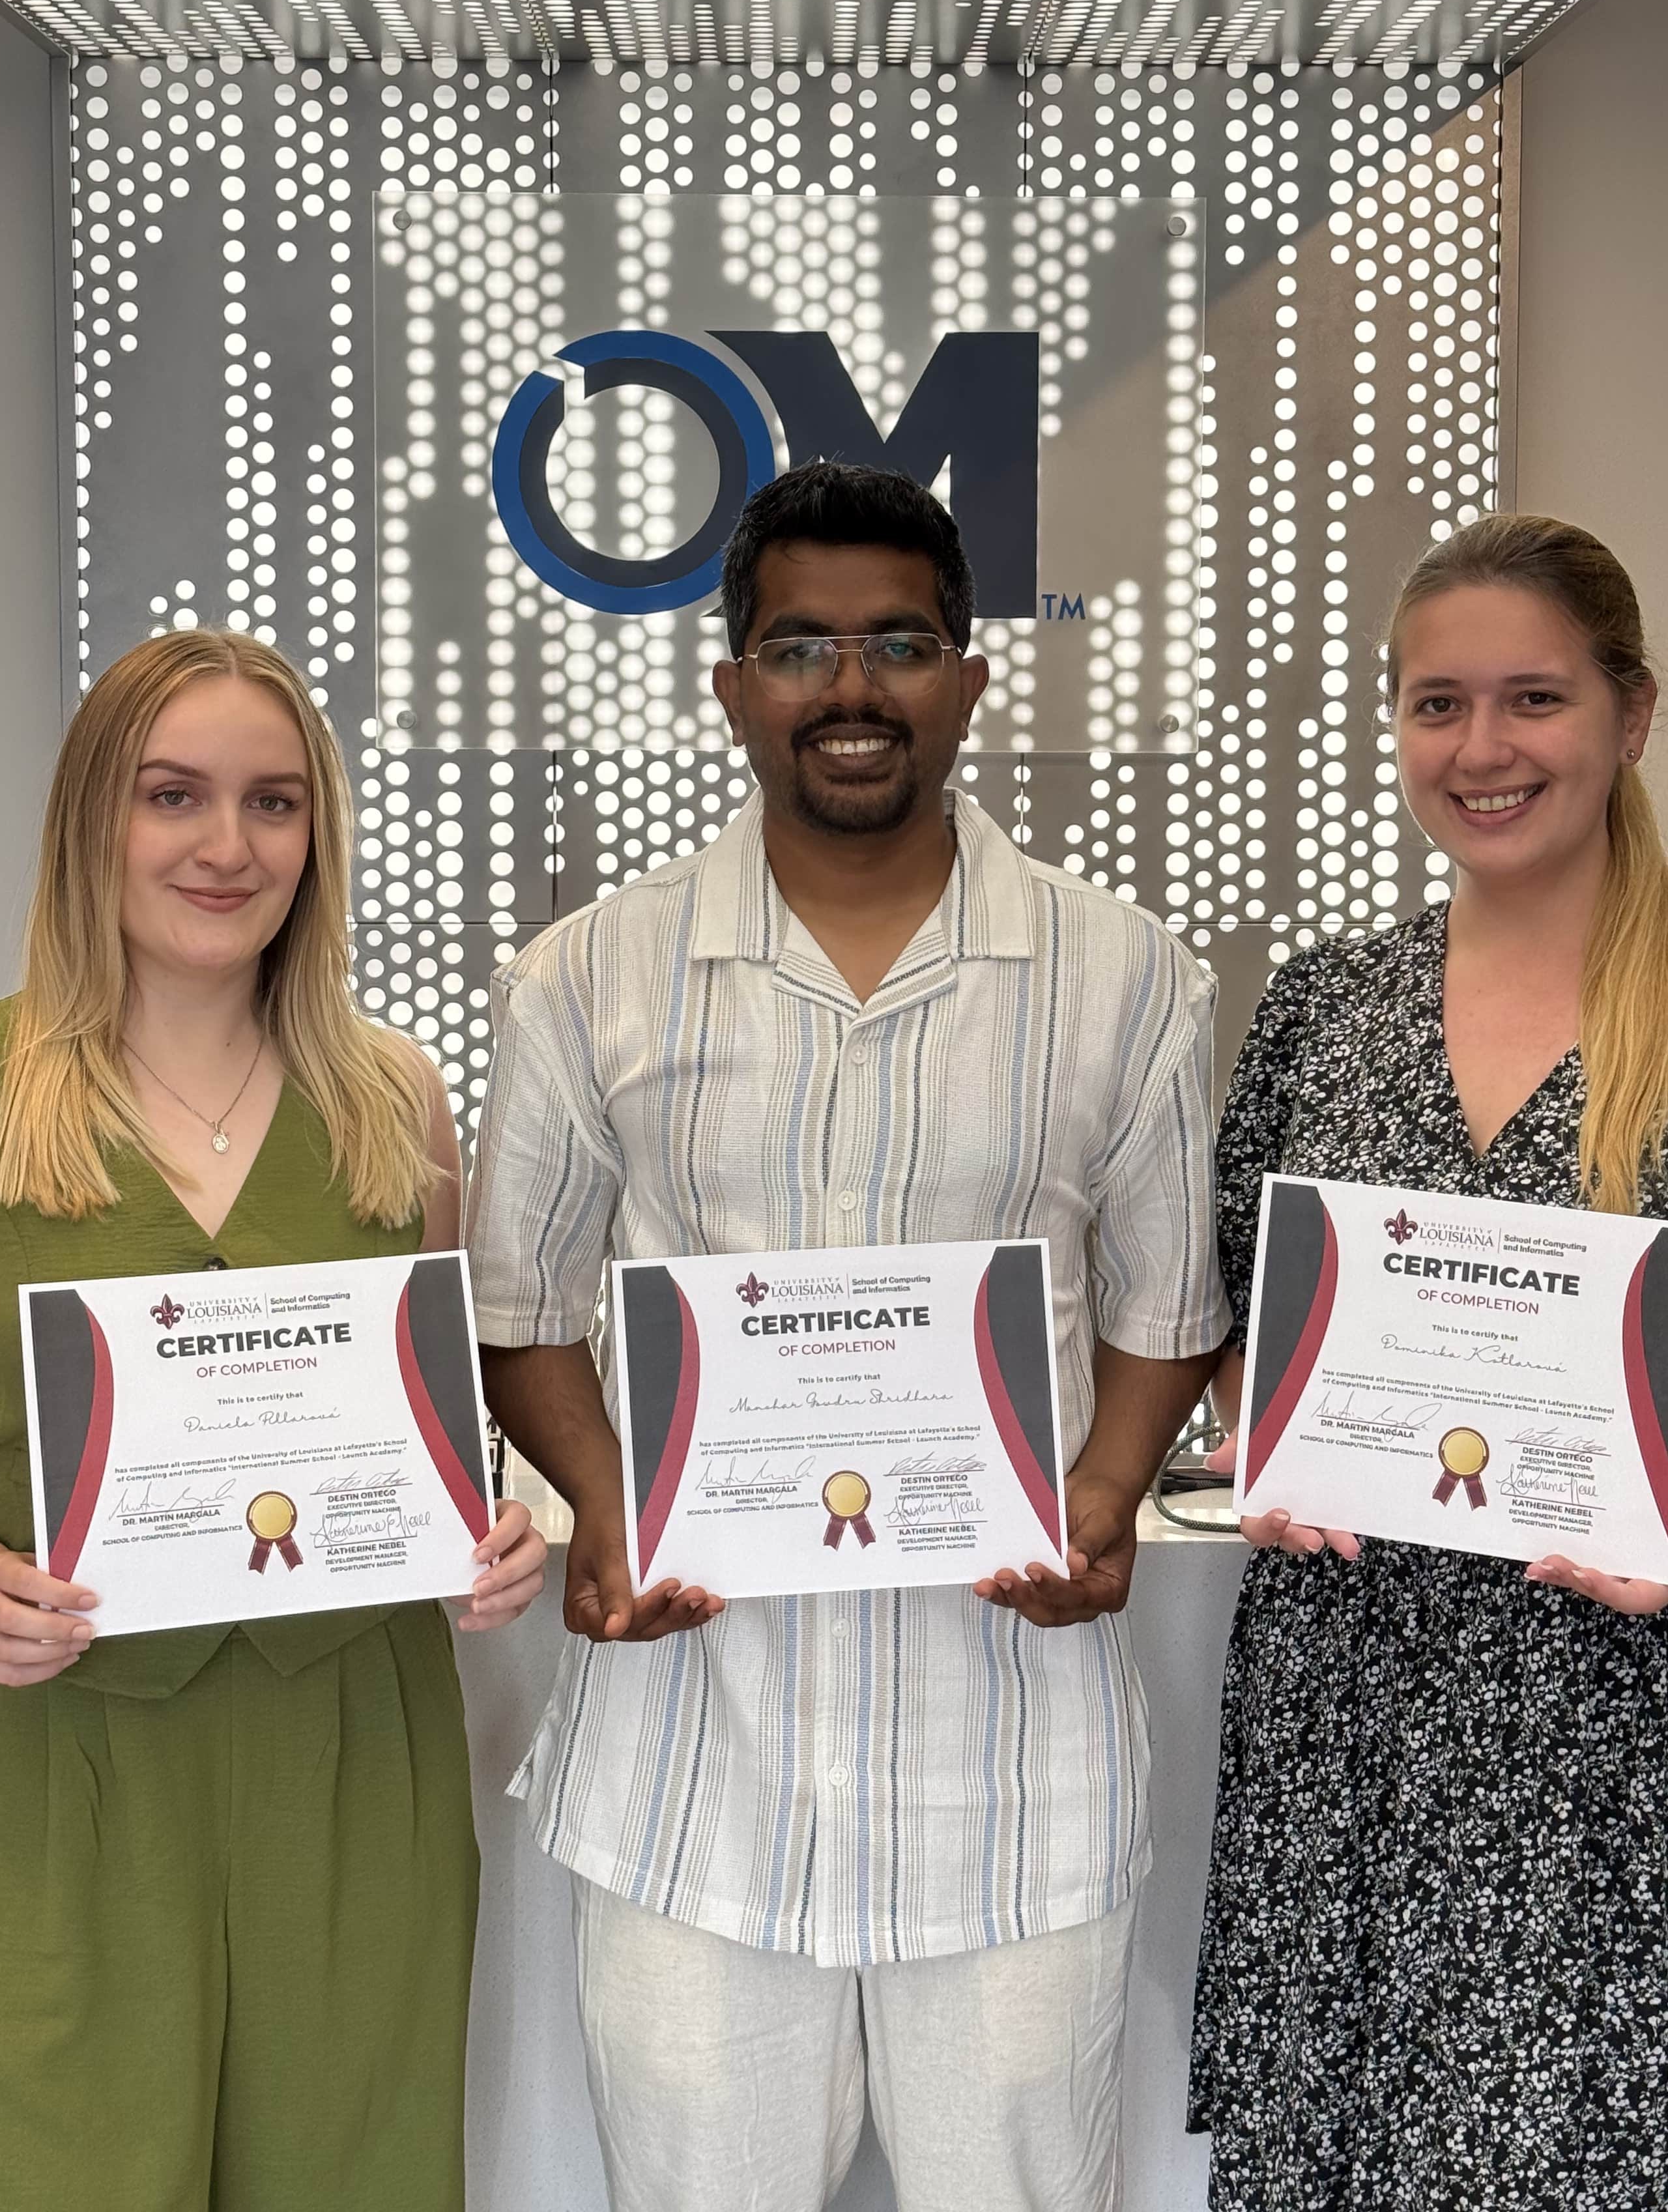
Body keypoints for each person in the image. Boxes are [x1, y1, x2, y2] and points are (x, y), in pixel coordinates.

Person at [468, 461, 1227, 2212]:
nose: (852, 687)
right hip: (695, 1771)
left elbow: (1166, 1302)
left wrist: (1109, 1490)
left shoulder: (1126, 976)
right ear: (734, 686)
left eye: (900, 642)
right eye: (799, 647)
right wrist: (605, 1501)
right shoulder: (587, 977)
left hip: (1010, 1773)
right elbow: (520, 1302)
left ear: (970, 675)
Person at [0, 629, 547, 2212]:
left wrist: (483, 1535)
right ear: (94, 815)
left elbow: (429, 1427)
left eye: (274, 803)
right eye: (174, 795)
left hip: (351, 1755)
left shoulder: (393, 1098)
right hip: (65, 1754)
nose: (229, 846)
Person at [1189, 515, 1668, 2208]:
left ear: (1633, 713)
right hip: (1363, 1720)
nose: (1482, 749)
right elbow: (1243, 1313)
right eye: (1437, 704)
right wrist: (1273, 1447)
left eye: (1534, 698)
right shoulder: (1326, 1005)